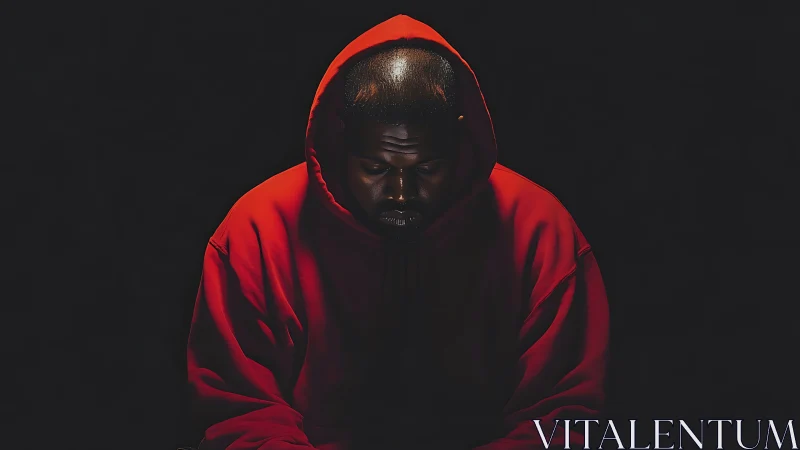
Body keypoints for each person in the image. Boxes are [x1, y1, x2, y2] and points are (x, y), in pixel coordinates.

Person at [187, 14, 609, 450]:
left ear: (460, 140)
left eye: (427, 168)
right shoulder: (256, 232)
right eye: (376, 168)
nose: (402, 194)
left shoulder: (540, 231)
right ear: (340, 137)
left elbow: (561, 418)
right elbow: (242, 411)